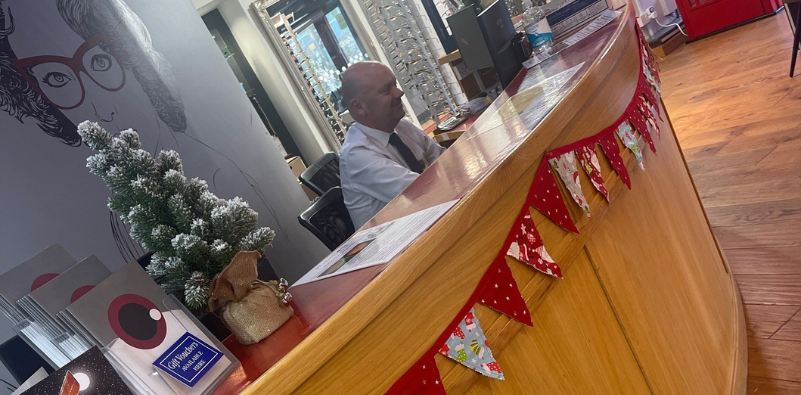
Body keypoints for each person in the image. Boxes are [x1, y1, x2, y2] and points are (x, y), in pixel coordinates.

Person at [339, 61, 446, 228]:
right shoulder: (357, 154)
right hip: (404, 244)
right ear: (359, 107)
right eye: (386, 90)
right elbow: (421, 192)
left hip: (428, 220)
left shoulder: (400, 125)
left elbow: (444, 161)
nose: (399, 92)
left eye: (394, 85)